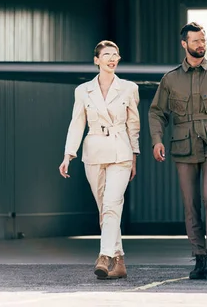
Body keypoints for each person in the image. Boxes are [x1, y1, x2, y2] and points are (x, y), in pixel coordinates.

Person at [148, 22, 207, 280]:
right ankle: (199, 257)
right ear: (184, 44)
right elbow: (157, 112)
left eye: (204, 40)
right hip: (183, 146)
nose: (201, 45)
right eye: (196, 41)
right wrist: (156, 140)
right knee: (190, 203)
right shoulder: (170, 79)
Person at [59, 40, 140, 280]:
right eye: (107, 54)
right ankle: (120, 260)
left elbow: (133, 124)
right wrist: (68, 155)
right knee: (104, 210)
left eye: (115, 54)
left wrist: (134, 155)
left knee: (113, 204)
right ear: (97, 60)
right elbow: (77, 123)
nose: (112, 58)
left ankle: (104, 256)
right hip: (93, 151)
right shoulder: (83, 91)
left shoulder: (128, 88)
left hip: (121, 152)